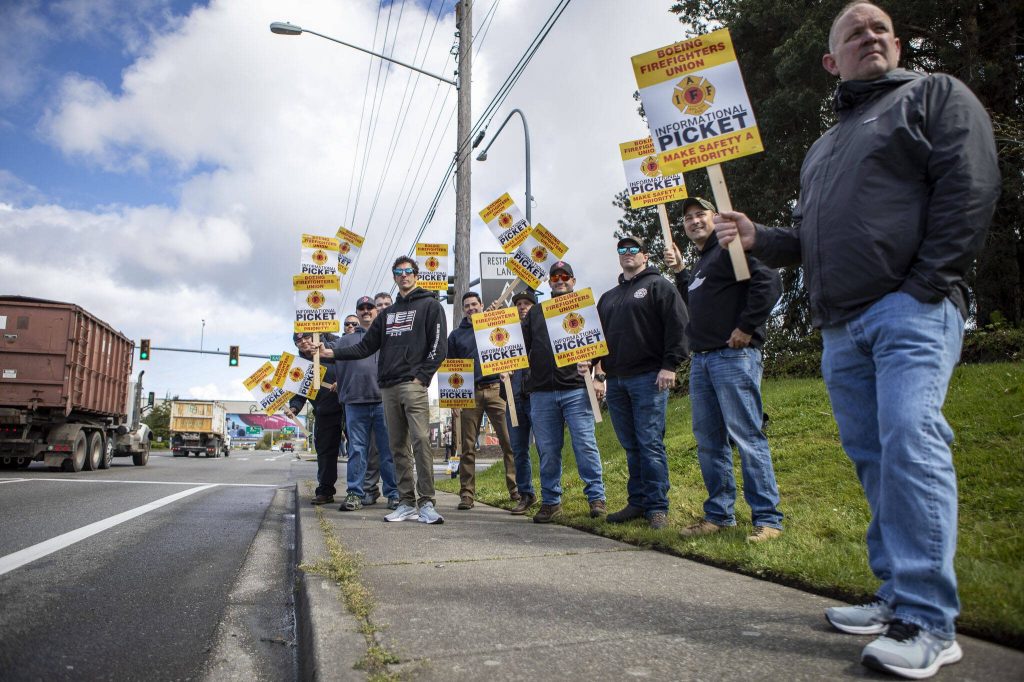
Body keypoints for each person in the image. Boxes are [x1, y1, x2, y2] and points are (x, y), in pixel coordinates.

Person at [712, 3, 1000, 677]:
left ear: (897, 44)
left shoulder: (933, 95)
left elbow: (971, 185)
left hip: (910, 311)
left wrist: (926, 283)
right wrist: (762, 239)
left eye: (880, 29)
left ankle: (929, 622)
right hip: (842, 327)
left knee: (910, 437)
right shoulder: (823, 150)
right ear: (831, 62)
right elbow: (812, 242)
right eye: (854, 33)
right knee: (875, 458)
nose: (870, 36)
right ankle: (896, 596)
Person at [664, 197, 784, 542]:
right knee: (709, 442)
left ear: (715, 218)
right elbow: (695, 305)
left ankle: (768, 518)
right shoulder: (704, 263)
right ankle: (719, 515)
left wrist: (746, 327)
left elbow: (770, 282)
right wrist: (681, 273)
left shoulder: (731, 247)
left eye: (700, 214)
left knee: (747, 436)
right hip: (702, 361)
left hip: (733, 358)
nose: (694, 221)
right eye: (687, 218)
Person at [321, 256, 448, 524]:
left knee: (421, 441)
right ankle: (405, 502)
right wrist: (330, 351)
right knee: (396, 447)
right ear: (394, 277)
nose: (403, 275)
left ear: (416, 274)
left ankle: (426, 502)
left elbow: (438, 347)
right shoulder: (387, 315)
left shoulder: (430, 306)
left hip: (413, 385)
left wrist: (422, 377)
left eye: (408, 271)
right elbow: (364, 347)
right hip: (387, 389)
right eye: (398, 272)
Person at [591, 235, 688, 530]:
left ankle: (657, 507)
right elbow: (598, 341)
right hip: (617, 382)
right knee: (631, 445)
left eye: (633, 249)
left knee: (650, 443)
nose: (627, 253)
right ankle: (638, 501)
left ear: (644, 255)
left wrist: (669, 365)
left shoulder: (659, 286)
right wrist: (598, 373)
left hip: (650, 378)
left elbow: (679, 325)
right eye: (622, 250)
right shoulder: (608, 297)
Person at [524, 261, 607, 524]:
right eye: (555, 277)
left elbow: (601, 347)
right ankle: (551, 502)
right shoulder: (536, 313)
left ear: (573, 280)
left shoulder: (585, 306)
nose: (560, 280)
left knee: (585, 445)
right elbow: (519, 347)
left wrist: (598, 375)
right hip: (542, 393)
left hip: (576, 389)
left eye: (565, 276)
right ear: (548, 283)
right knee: (547, 450)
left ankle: (596, 498)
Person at [446, 291, 519, 509]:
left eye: (474, 304)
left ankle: (516, 489)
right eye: (467, 306)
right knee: (467, 447)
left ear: (482, 305)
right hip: (470, 393)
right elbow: (452, 368)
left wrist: (495, 314)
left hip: (498, 389)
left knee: (510, 442)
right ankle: (467, 495)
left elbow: (510, 341)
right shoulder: (456, 336)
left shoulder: (492, 324)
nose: (471, 308)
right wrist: (455, 401)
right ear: (463, 309)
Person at [330, 296, 399, 512]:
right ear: (357, 312)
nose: (366, 311)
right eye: (362, 308)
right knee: (357, 450)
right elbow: (320, 353)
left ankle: (394, 494)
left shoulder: (388, 337)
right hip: (354, 403)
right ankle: (354, 494)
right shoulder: (343, 342)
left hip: (383, 402)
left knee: (388, 450)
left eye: (370, 307)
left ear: (376, 312)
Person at [285, 333, 343, 505]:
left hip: (348, 407)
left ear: (316, 336)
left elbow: (351, 367)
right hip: (324, 412)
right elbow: (299, 394)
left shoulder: (335, 348)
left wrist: (342, 381)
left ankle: (360, 491)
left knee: (359, 449)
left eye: (307, 337)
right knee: (325, 454)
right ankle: (325, 491)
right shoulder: (298, 365)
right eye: (298, 341)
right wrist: (294, 408)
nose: (303, 342)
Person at [504, 290, 538, 515]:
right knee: (518, 449)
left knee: (546, 446)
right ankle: (526, 494)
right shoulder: (505, 333)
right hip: (513, 395)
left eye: (527, 303)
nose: (522, 306)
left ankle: (553, 496)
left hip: (537, 394)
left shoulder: (542, 328)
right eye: (518, 304)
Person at [361, 292, 397, 501]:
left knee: (391, 450)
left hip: (392, 396)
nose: (382, 307)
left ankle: (393, 492)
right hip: (368, 399)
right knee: (370, 451)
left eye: (386, 304)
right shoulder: (368, 333)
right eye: (379, 305)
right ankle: (369, 490)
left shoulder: (398, 331)